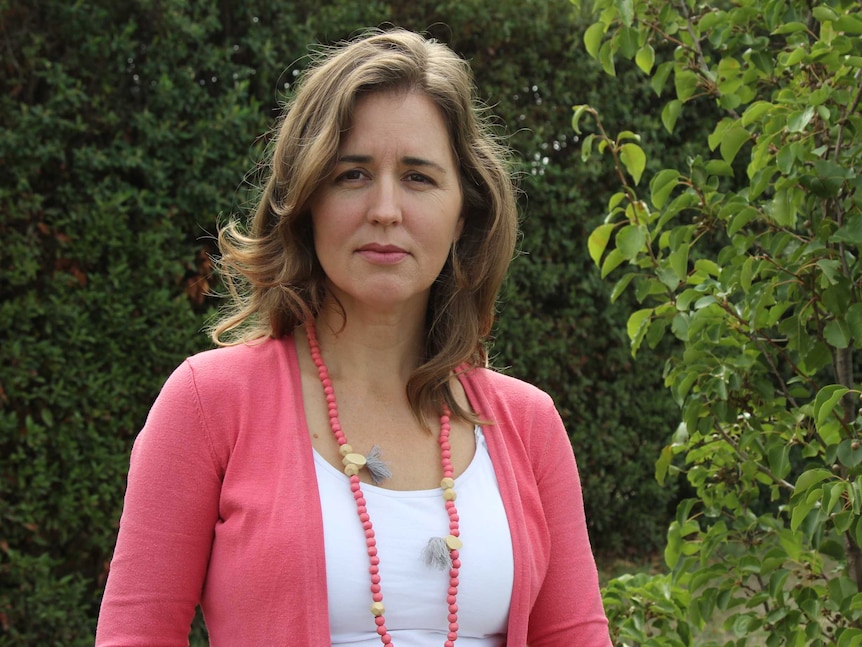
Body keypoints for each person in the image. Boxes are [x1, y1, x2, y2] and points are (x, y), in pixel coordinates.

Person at [95, 28, 611, 647]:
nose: (386, 209)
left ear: (464, 213)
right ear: (306, 201)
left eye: (419, 177)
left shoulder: (528, 425)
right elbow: (136, 635)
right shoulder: (209, 404)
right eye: (352, 174)